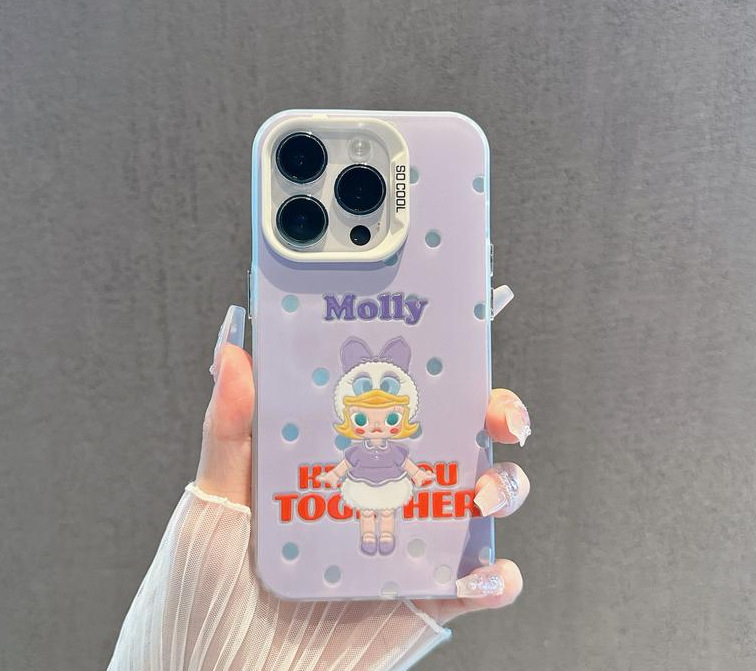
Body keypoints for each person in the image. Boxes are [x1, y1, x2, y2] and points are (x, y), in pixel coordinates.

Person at [108, 306, 532, 671]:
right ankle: (374, 538)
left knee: (385, 513)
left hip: (387, 490)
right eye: (363, 419)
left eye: (388, 418)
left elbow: (405, 463)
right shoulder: (356, 448)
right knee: (373, 513)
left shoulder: (395, 446)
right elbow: (347, 463)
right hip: (359, 490)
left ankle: (381, 539)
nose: (376, 426)